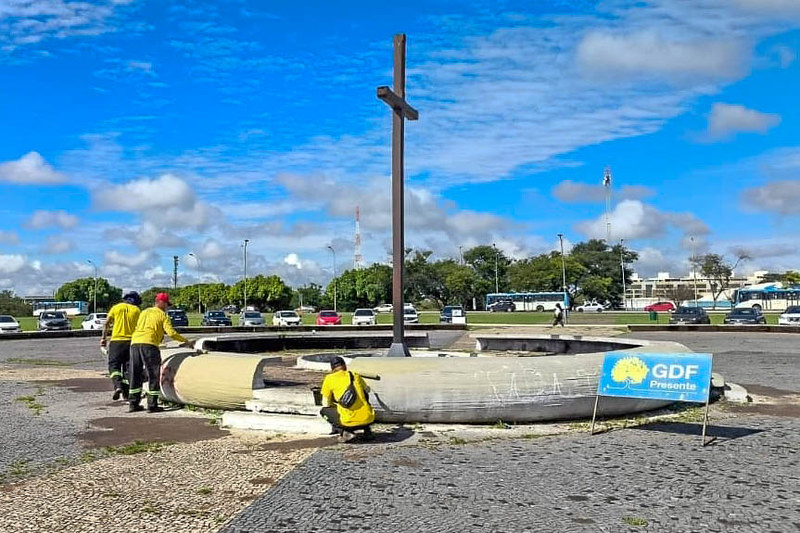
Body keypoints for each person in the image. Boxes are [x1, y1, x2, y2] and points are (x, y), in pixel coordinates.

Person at [128, 292, 190, 413]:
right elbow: (171, 333)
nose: (167, 307)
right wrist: (186, 341)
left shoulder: (144, 312)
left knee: (135, 373)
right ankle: (152, 405)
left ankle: (133, 403)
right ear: (161, 303)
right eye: (167, 304)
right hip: (149, 344)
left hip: (135, 343)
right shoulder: (163, 315)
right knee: (153, 374)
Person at [319, 356, 375, 442]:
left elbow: (325, 403)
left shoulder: (329, 378)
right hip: (369, 418)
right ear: (345, 366)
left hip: (348, 421)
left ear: (332, 368)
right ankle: (367, 431)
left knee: (323, 411)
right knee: (363, 399)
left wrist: (335, 404)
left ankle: (346, 432)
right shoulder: (355, 375)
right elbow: (367, 390)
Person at [100, 291, 142, 401]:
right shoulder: (137, 310)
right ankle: (127, 394)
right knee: (128, 368)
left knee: (114, 366)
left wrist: (104, 338)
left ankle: (118, 386)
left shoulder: (116, 308)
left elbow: (106, 324)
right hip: (131, 342)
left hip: (116, 342)